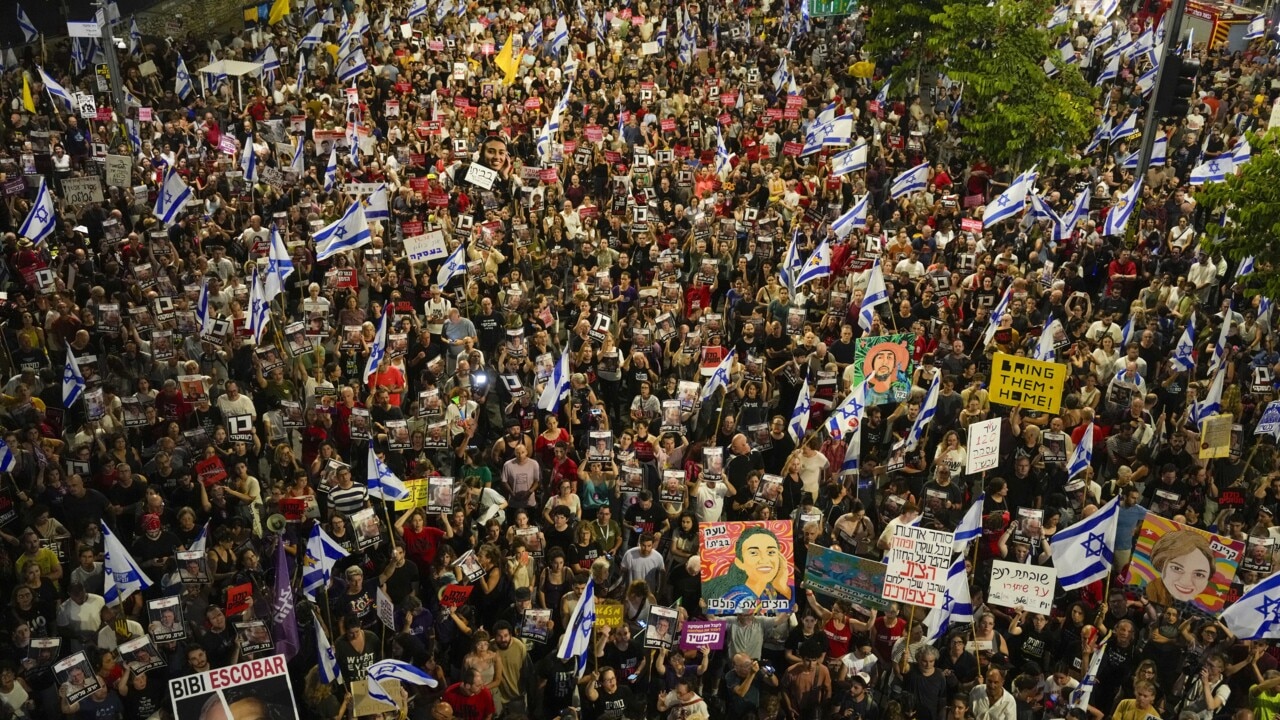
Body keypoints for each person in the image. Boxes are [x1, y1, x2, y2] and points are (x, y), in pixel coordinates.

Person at [702, 526, 794, 614]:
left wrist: (783, 588)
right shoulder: (741, 600)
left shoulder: (768, 590)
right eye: (754, 553)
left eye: (771, 552)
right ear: (739, 563)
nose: (764, 559)